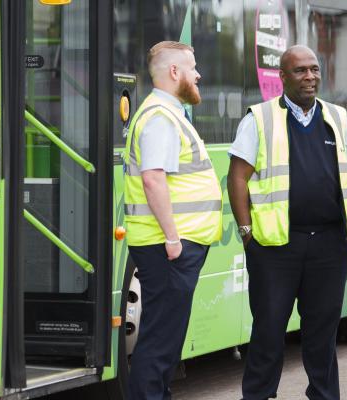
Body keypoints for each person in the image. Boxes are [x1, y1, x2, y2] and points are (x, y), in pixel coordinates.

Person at [228, 45, 347, 400]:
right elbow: (238, 177)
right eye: (301, 71)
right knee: (269, 333)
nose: (310, 77)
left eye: (315, 69)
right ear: (282, 77)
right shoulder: (258, 119)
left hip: (330, 245)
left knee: (322, 334)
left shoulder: (339, 118)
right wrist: (246, 234)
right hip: (275, 249)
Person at [123, 41, 223, 400]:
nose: (198, 74)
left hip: (170, 245)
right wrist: (172, 238)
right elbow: (153, 178)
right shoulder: (160, 118)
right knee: (161, 340)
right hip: (167, 247)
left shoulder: (167, 115)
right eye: (192, 67)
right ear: (174, 72)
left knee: (166, 338)